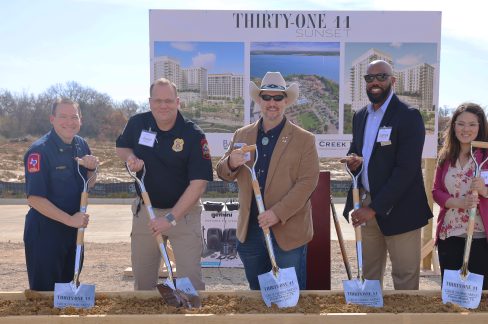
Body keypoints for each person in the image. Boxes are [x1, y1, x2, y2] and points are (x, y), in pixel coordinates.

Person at [217, 72, 319, 290]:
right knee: (258, 294)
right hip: (251, 231)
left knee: (289, 297)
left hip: (287, 230)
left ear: (286, 101)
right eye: (266, 97)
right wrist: (232, 163)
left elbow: (307, 183)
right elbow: (223, 172)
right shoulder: (241, 135)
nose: (272, 103)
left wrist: (277, 213)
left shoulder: (305, 139)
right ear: (259, 101)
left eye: (278, 98)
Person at [341, 60, 432, 290]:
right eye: (369, 78)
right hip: (366, 204)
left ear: (392, 80)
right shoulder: (360, 116)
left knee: (404, 279)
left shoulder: (408, 115)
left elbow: (407, 169)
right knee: (369, 278)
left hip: (399, 208)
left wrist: (374, 209)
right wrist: (353, 163)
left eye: (381, 77)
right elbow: (356, 151)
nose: (374, 82)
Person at [116, 78, 213, 291]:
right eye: (158, 101)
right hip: (146, 213)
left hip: (184, 216)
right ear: (150, 102)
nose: (163, 106)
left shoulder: (193, 135)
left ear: (177, 102)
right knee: (143, 284)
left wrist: (170, 219)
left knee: (191, 286)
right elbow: (121, 148)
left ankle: (189, 322)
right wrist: (131, 157)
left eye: (168, 101)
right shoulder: (137, 123)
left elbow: (198, 185)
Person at [432, 103, 488, 289]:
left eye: (472, 124)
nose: (466, 129)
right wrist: (458, 202)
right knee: (451, 292)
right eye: (461, 124)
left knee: (476, 294)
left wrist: (486, 192)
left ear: (480, 127)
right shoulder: (446, 156)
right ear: (454, 127)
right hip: (449, 234)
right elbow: (436, 192)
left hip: (481, 237)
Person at [23, 98, 99, 291]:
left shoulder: (82, 145)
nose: (69, 122)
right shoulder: (39, 152)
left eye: (74, 117)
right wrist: (70, 220)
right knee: (45, 293)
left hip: (74, 229)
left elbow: (88, 184)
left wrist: (91, 169)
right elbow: (34, 198)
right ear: (52, 119)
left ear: (80, 120)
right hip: (45, 231)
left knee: (69, 290)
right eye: (63, 116)